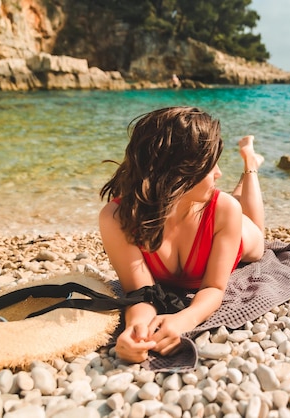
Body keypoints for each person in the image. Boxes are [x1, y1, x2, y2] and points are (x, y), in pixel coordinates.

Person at [99, 106, 265, 363]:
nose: (219, 172)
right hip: (210, 215)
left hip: (231, 229)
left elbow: (213, 287)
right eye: (211, 165)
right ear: (177, 171)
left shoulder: (224, 210)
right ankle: (249, 164)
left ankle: (250, 164)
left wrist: (183, 319)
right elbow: (142, 293)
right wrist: (137, 329)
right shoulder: (117, 218)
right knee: (231, 203)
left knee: (255, 234)